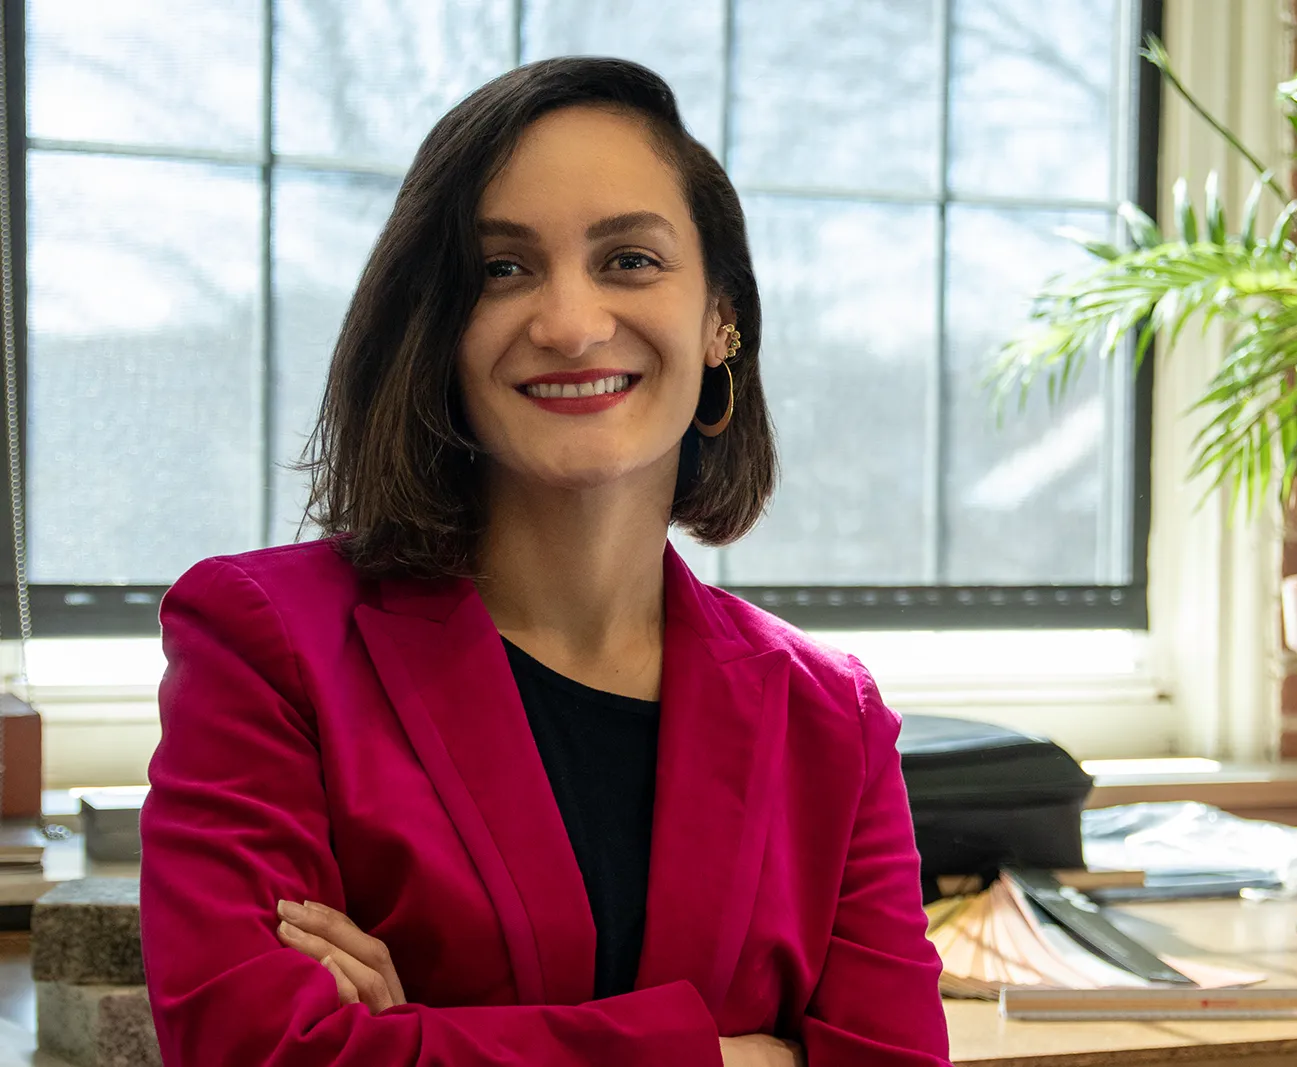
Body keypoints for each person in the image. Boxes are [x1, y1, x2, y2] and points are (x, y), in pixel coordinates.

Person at [138, 56, 951, 1067]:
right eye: (502, 270)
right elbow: (259, 1051)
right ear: (437, 325)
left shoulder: (832, 718)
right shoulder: (263, 643)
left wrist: (411, 1040)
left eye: (631, 260)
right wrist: (728, 1055)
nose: (569, 325)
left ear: (720, 321)